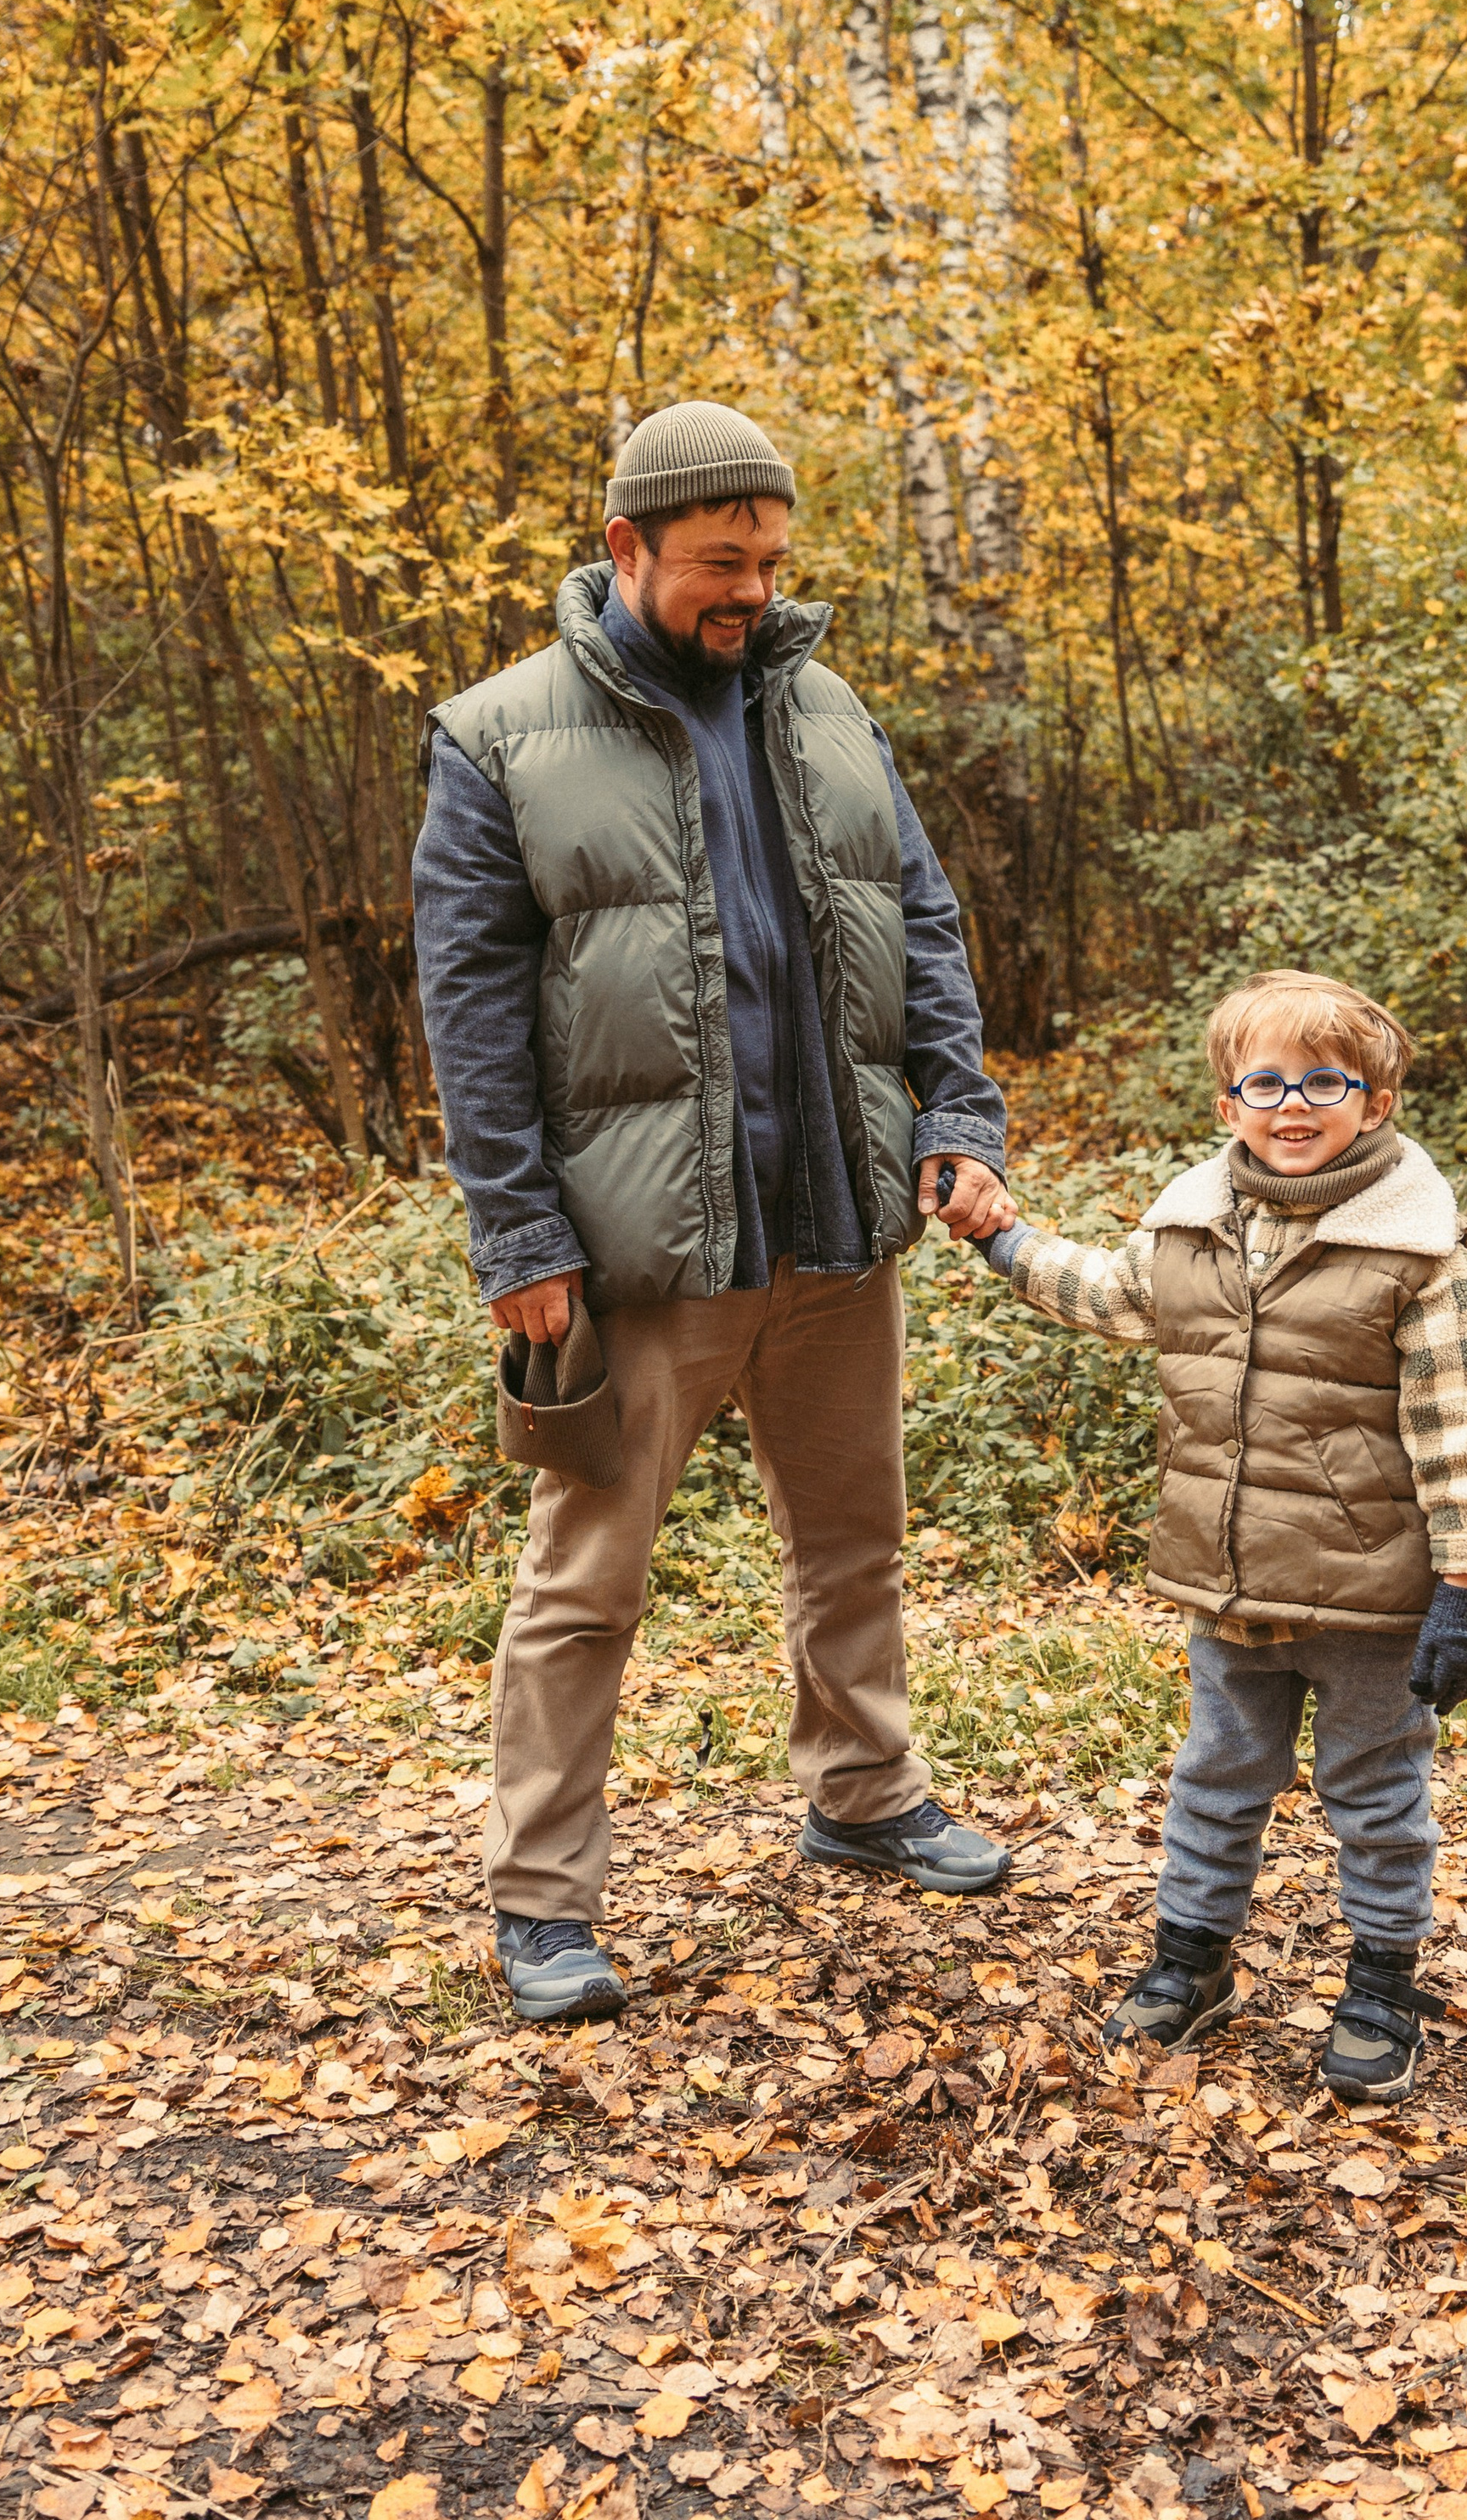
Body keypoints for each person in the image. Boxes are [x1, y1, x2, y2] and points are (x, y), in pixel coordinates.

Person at [413, 400, 1020, 2027]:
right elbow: (470, 1019)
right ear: (626, 549)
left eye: (768, 558)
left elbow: (927, 925)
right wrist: (519, 1239)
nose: (748, 589)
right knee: (584, 1578)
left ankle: (865, 1797)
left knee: (854, 1543)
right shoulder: (500, 739)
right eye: (715, 562)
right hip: (635, 1250)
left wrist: (956, 1116)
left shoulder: (826, 707)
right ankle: (543, 1904)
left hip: (832, 1224)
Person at [973, 968, 1467, 2102]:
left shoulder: (1423, 1255)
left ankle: (1381, 1984)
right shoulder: (1194, 1231)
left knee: (1374, 1791)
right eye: (1263, 1082)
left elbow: (1465, 1431)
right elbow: (1107, 1292)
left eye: (1327, 1080)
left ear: (1374, 1103)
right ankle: (1191, 1964)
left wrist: (1463, 1590)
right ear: (1228, 1106)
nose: (1293, 1104)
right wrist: (1000, 1236)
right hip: (1230, 1583)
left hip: (1372, 1601)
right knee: (1217, 1775)